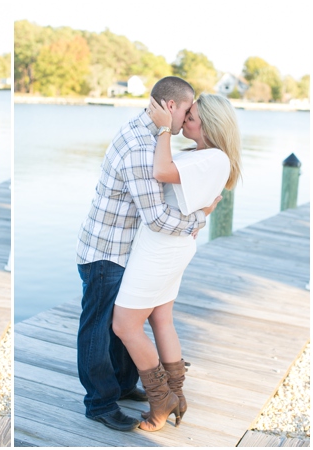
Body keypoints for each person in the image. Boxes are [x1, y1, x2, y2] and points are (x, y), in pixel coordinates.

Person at [75, 76, 221, 432]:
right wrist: (197, 220)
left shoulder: (149, 136)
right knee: (99, 328)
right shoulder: (143, 147)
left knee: (123, 325)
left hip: (123, 247)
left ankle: (124, 385)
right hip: (106, 249)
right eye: (187, 110)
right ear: (171, 107)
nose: (188, 119)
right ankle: (100, 403)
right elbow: (155, 217)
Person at [112, 93, 241, 431]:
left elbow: (160, 170)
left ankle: (161, 399)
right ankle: (177, 395)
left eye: (192, 116)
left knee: (124, 325)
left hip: (161, 249)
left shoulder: (213, 158)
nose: (185, 120)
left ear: (210, 124)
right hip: (168, 244)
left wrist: (164, 129)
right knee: (161, 319)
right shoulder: (202, 156)